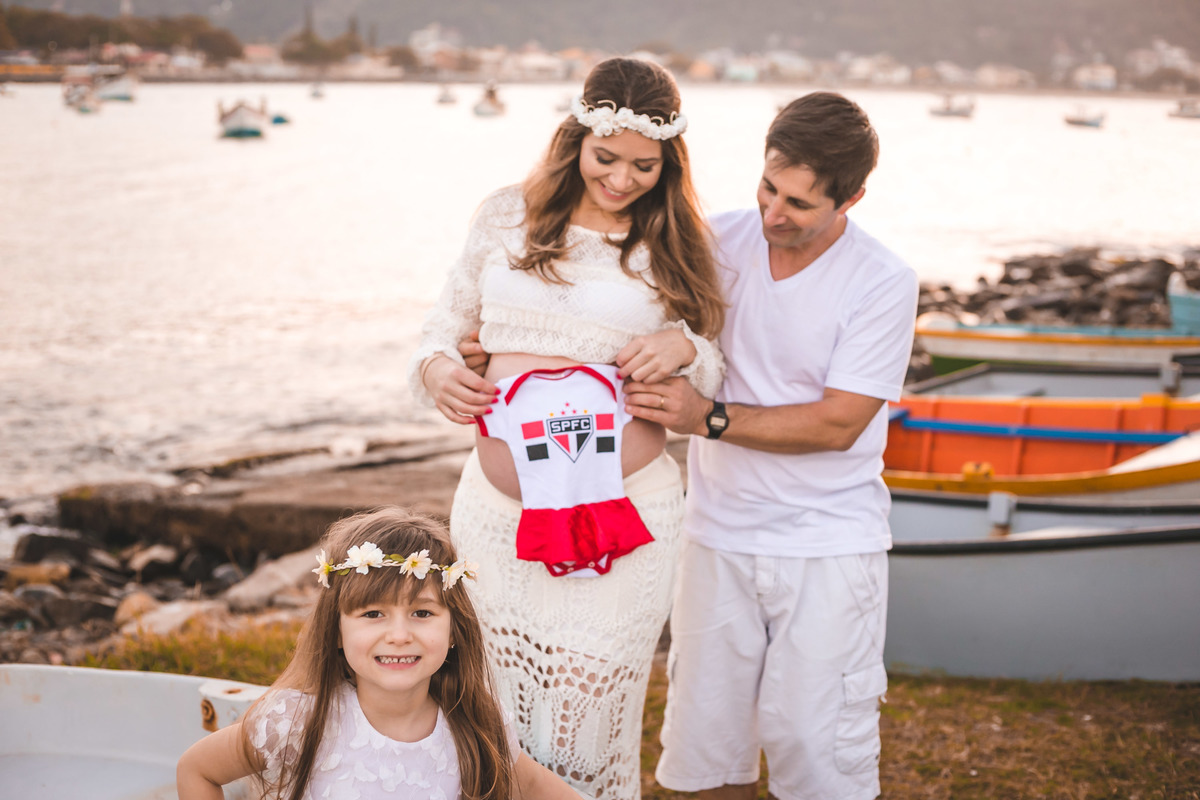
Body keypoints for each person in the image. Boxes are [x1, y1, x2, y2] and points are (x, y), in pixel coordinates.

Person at [407, 57, 725, 799]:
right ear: (576, 138)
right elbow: (440, 328)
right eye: (605, 157)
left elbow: (716, 367)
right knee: (489, 709)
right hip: (497, 516)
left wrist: (686, 346)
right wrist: (435, 372)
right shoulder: (504, 215)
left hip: (623, 519)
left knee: (585, 711)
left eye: (644, 165)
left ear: (669, 160)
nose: (621, 178)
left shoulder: (675, 243)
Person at [624, 92, 919, 800]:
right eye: (768, 188)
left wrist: (708, 418)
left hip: (827, 544)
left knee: (818, 756)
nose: (773, 214)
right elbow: (609, 298)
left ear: (851, 198)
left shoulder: (883, 280)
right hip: (716, 535)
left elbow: (837, 423)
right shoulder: (717, 239)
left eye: (799, 204)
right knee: (704, 748)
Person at [175, 507, 577, 800]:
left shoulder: (475, 723)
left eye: (422, 612)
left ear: (454, 629)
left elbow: (537, 785)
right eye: (373, 613)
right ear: (336, 629)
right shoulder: (297, 721)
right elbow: (197, 771)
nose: (399, 635)